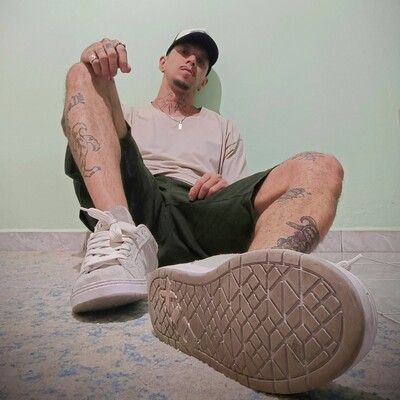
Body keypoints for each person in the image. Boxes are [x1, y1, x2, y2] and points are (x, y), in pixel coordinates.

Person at [62, 29, 377, 394]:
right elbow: (87, 113)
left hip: (200, 209)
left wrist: (222, 185)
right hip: (139, 203)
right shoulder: (127, 115)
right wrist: (95, 57)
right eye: (184, 51)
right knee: (82, 73)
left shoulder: (222, 127)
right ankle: (119, 241)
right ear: (163, 62)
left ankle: (257, 296)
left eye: (202, 61)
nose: (192, 60)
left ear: (204, 80)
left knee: (322, 166)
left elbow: (243, 199)